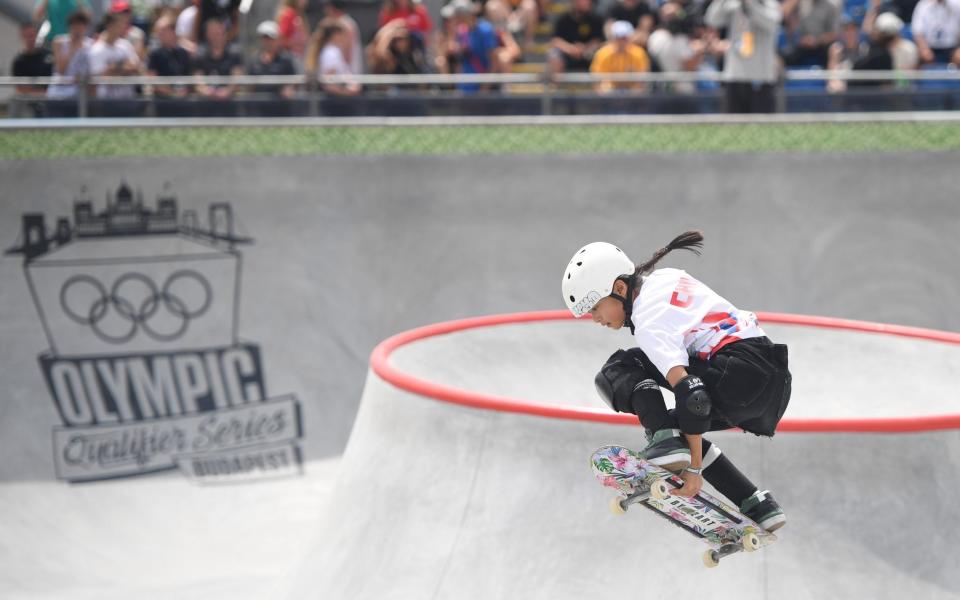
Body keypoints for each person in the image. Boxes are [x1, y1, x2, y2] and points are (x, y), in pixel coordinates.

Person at [562, 231, 790, 532]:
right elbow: (695, 399)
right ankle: (757, 504)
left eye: (594, 308)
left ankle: (665, 441)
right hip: (771, 382)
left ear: (619, 288)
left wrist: (692, 469)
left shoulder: (648, 321)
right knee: (680, 427)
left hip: (739, 370)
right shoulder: (666, 278)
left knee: (619, 368)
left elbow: (692, 396)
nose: (595, 319)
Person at [705, 0, 782, 113]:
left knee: (763, 127)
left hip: (761, 78)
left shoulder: (770, 4)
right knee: (733, 127)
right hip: (735, 77)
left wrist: (750, 4)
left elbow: (771, 24)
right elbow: (712, 19)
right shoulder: (733, 5)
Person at [88, 11, 141, 99]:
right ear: (109, 25)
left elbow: (136, 68)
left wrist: (114, 68)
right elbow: (103, 77)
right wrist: (124, 67)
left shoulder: (125, 45)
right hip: (106, 101)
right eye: (118, 25)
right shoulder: (96, 50)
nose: (121, 28)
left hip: (128, 98)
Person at [589, 20, 650, 93]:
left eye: (624, 37)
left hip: (632, 94)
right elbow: (596, 80)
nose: (621, 41)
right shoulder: (602, 54)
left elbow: (642, 80)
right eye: (618, 37)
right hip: (609, 93)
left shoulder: (639, 53)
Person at [306, 19, 362, 96]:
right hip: (336, 101)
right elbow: (329, 83)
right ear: (335, 35)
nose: (345, 38)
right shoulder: (331, 52)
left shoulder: (331, 50)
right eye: (343, 34)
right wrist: (346, 92)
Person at [549, 0, 606, 75]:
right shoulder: (563, 20)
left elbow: (600, 40)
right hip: (568, 54)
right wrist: (571, 49)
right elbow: (555, 40)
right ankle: (555, 86)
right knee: (555, 54)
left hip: (589, 54)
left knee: (603, 53)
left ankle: (599, 85)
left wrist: (585, 48)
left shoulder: (596, 19)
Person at [192, 18, 244, 100]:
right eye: (213, 33)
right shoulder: (201, 54)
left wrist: (227, 91)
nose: (217, 36)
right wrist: (206, 91)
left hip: (229, 103)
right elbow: (197, 79)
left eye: (219, 32)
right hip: (206, 104)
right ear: (207, 35)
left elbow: (237, 77)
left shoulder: (234, 53)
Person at [47, 10, 93, 100]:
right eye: (75, 25)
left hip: (80, 95)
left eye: (81, 25)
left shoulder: (91, 44)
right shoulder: (59, 42)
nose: (78, 29)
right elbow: (60, 69)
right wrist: (74, 46)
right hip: (58, 93)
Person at [780, 0, 841, 67]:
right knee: (785, 55)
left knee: (833, 52)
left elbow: (834, 34)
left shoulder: (830, 7)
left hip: (822, 46)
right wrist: (803, 39)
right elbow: (795, 28)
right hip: (805, 45)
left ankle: (831, 76)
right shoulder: (803, 5)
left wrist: (816, 40)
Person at [248, 20, 297, 98]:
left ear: (277, 40)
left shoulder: (286, 59)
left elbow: (294, 80)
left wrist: (289, 88)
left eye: (271, 38)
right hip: (258, 106)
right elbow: (249, 86)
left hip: (281, 106)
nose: (268, 42)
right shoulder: (254, 60)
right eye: (265, 38)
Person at [147, 14, 193, 98]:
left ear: (173, 32)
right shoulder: (155, 54)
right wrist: (172, 93)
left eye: (163, 31)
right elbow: (152, 79)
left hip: (184, 101)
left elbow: (190, 76)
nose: (160, 34)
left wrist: (184, 91)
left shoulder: (183, 53)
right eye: (159, 31)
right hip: (163, 101)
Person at [910, 0, 960, 64]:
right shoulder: (923, 5)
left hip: (953, 47)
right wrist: (924, 49)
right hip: (930, 47)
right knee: (914, 57)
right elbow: (917, 31)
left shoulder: (957, 4)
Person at [11, 22, 53, 96]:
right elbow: (20, 88)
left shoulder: (50, 55)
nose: (30, 39)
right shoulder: (18, 62)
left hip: (54, 101)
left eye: (31, 35)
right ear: (21, 37)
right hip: (31, 103)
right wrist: (44, 94)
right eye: (26, 36)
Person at [325, 0, 364, 75]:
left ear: (332, 8)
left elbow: (348, 52)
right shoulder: (343, 22)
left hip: (347, 74)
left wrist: (346, 71)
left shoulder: (345, 24)